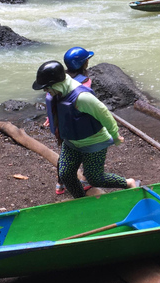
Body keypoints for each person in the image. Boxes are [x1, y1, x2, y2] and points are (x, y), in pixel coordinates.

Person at [33, 61, 140, 199]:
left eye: (47, 87)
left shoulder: (82, 98)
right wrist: (52, 119)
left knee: (95, 178)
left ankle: (128, 183)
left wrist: (115, 135)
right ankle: (81, 198)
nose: (45, 91)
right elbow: (59, 109)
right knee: (65, 173)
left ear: (57, 84)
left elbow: (104, 114)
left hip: (93, 143)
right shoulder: (59, 92)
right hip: (71, 141)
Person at [47, 47, 95, 194]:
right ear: (84, 63)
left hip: (60, 123)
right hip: (77, 123)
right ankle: (86, 180)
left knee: (65, 151)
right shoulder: (85, 82)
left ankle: (60, 183)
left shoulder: (60, 78)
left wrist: (50, 118)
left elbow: (54, 99)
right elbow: (85, 103)